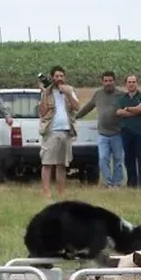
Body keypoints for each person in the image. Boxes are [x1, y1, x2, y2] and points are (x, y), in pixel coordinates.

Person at [38, 65, 81, 199]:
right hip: (51, 131)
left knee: (62, 164)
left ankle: (61, 192)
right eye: (56, 76)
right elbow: (42, 112)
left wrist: (68, 93)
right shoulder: (48, 92)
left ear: (64, 77)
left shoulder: (70, 90)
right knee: (47, 163)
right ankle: (46, 193)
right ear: (52, 77)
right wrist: (44, 93)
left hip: (67, 130)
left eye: (61, 76)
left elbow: (77, 107)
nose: (59, 79)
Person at [77, 71, 127, 188]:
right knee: (103, 159)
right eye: (106, 81)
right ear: (102, 81)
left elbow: (129, 110)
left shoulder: (121, 95)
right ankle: (108, 183)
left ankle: (117, 183)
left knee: (118, 160)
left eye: (110, 81)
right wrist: (76, 117)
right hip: (103, 134)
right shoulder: (98, 94)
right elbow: (88, 107)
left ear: (114, 81)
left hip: (118, 133)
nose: (108, 83)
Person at [117, 74, 141, 188]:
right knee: (129, 159)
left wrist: (128, 109)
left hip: (140, 133)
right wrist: (135, 111)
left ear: (137, 83)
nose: (131, 84)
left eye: (133, 82)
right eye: (129, 82)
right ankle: (132, 183)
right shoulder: (122, 98)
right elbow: (119, 113)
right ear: (126, 84)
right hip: (126, 132)